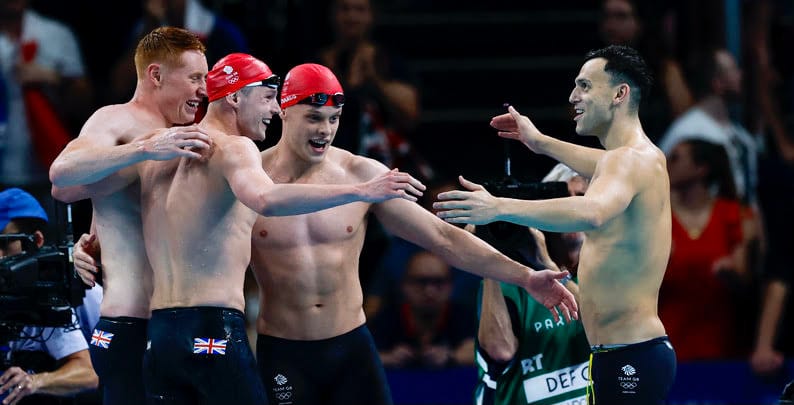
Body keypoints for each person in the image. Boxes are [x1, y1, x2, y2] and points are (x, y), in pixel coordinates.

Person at [250, 63, 576, 405]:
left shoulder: (361, 173)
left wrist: (526, 277)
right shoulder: (251, 182)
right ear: (283, 110)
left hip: (350, 347)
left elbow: (443, 238)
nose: (325, 130)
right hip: (283, 350)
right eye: (314, 117)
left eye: (334, 118)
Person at [120, 53, 424, 404]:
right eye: (266, 98)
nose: (273, 109)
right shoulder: (237, 152)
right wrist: (361, 191)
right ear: (235, 97)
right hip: (215, 327)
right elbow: (265, 198)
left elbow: (67, 182)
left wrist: (90, 241)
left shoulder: (162, 147)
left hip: (161, 331)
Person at [434, 45, 676, 404]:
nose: (573, 96)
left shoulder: (628, 161)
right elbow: (601, 164)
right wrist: (539, 142)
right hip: (626, 355)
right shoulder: (641, 158)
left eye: (585, 86)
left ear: (619, 94)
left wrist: (497, 207)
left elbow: (591, 212)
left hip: (629, 357)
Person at [48, 26, 213, 405]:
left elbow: (102, 199)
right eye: (194, 78)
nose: (203, 90)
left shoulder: (191, 131)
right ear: (156, 75)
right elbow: (62, 174)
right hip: (133, 321)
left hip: (187, 320)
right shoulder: (116, 119)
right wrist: (144, 148)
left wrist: (91, 242)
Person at [474, 164, 591, 405]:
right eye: (561, 199)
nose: (571, 207)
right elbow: (500, 352)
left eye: (580, 198)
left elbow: (608, 331)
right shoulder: (512, 280)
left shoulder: (607, 273)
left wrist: (547, 264)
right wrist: (488, 261)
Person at [0, 188, 98, 405]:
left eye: (4, 244)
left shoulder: (49, 290)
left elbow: (89, 373)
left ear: (36, 240)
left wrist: (34, 381)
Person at [0, 0, 93, 222]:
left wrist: (53, 79)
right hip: (3, 165)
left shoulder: (55, 35)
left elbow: (86, 105)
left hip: (51, 166)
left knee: (55, 245)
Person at [661, 139, 750, 361]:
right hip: (668, 344)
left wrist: (730, 274)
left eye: (676, 158)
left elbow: (746, 284)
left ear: (701, 169)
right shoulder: (657, 218)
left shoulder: (731, 214)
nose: (666, 162)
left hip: (722, 344)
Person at [106, 0, 249, 105]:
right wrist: (150, 30)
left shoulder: (224, 35)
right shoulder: (143, 29)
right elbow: (117, 89)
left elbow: (241, 99)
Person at [369, 250, 476, 369]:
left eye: (438, 282)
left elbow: (480, 353)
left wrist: (451, 357)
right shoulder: (386, 319)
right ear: (405, 285)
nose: (429, 291)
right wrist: (389, 357)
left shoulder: (464, 317)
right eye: (421, 282)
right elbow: (361, 357)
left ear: (450, 286)